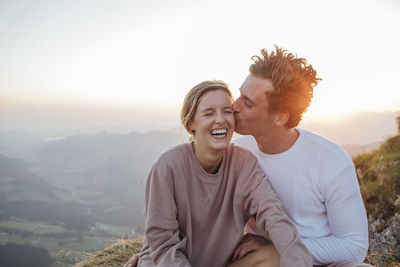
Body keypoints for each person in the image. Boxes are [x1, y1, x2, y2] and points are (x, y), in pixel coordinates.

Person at [127, 80, 312, 267]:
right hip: (167, 264)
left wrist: (296, 258)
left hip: (217, 262)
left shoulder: (244, 163)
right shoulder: (167, 166)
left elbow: (273, 215)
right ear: (191, 123)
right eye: (209, 113)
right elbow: (163, 245)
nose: (220, 119)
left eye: (227, 111)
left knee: (276, 256)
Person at [230, 46, 371, 267]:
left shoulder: (331, 161)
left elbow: (354, 246)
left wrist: (282, 248)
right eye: (239, 95)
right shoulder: (236, 152)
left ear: (280, 117)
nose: (234, 107)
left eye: (247, 103)